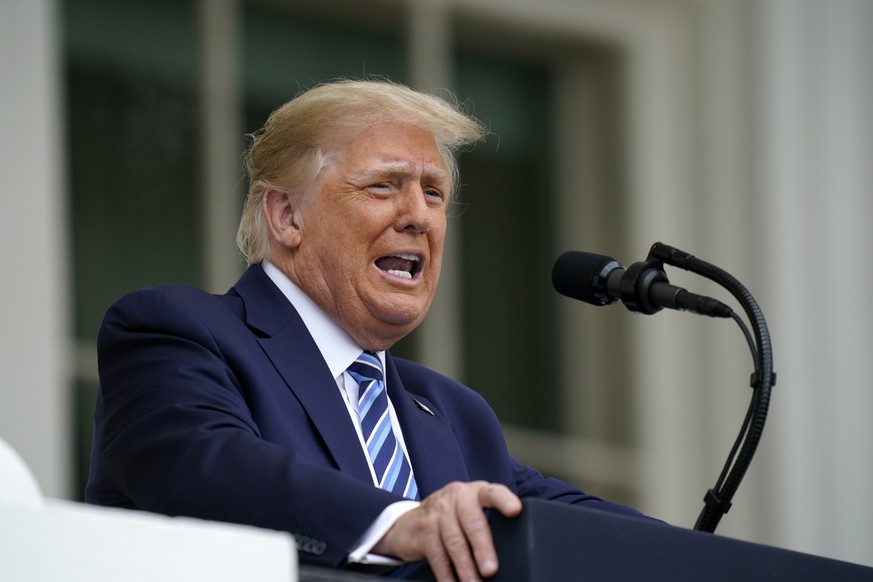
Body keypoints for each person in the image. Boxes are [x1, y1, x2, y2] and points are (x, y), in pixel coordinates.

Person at [86, 79, 656, 581]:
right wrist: (395, 523)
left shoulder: (456, 415)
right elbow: (200, 468)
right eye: (384, 186)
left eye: (433, 193)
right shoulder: (177, 331)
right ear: (287, 217)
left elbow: (571, 525)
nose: (420, 216)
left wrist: (720, 563)